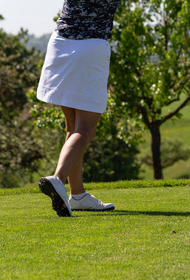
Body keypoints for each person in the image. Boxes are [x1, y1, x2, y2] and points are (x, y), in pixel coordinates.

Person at [37, 0, 121, 217]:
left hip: (61, 44)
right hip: (90, 48)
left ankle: (78, 195)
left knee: (72, 127)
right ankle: (57, 179)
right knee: (85, 130)